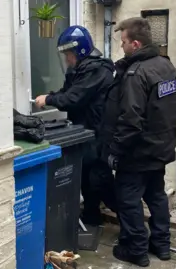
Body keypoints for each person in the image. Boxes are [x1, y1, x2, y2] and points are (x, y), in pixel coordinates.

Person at [99, 17, 176, 267]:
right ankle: (162, 245)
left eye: (123, 42)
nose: (121, 47)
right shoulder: (166, 67)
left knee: (128, 198)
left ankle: (136, 249)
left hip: (137, 152)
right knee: (156, 196)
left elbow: (131, 119)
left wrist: (115, 150)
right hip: (160, 147)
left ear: (135, 43)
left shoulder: (136, 73)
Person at [34, 25, 116, 226]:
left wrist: (49, 99)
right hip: (85, 131)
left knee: (100, 181)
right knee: (86, 179)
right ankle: (91, 218)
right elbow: (67, 91)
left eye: (68, 54)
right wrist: (53, 96)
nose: (66, 59)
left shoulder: (96, 70)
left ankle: (132, 227)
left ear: (79, 51)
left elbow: (74, 97)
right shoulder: (80, 70)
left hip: (98, 133)